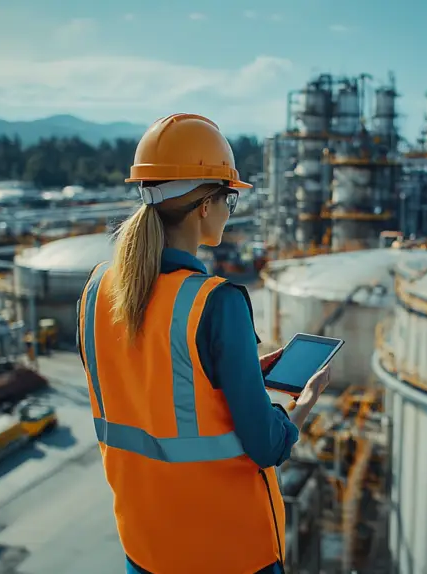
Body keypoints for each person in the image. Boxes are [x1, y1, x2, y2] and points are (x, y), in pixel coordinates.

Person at [76, 113, 332, 574]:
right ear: (204, 206)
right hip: (229, 555)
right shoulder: (218, 304)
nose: (230, 210)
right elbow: (266, 446)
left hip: (146, 550)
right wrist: (304, 404)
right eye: (228, 198)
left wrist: (241, 372)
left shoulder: (96, 291)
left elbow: (151, 387)